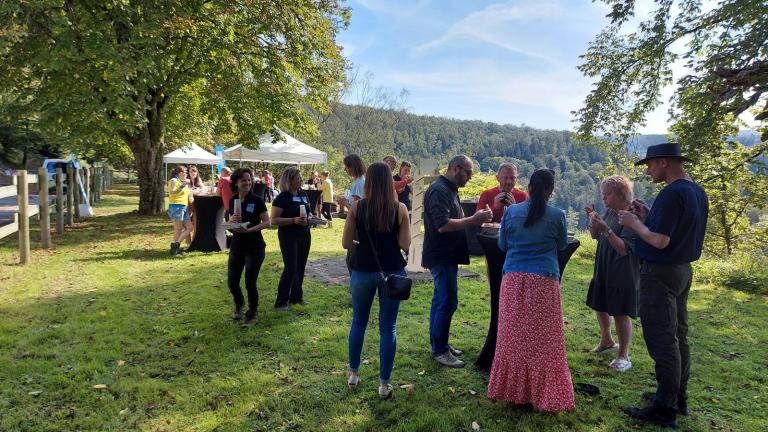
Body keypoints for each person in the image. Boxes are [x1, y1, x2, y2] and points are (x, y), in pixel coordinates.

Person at [618, 143, 708, 428]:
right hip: (682, 270)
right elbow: (669, 230)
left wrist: (633, 223)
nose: (648, 170)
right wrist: (647, 217)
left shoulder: (671, 194)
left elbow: (659, 241)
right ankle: (676, 397)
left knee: (663, 339)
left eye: (651, 164)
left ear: (665, 162)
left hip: (660, 273)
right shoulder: (696, 191)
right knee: (679, 335)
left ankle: (664, 410)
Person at [487, 168, 573, 412]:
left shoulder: (511, 212)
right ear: (551, 190)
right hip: (544, 281)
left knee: (512, 337)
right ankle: (543, 394)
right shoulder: (558, 215)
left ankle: (514, 391)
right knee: (546, 340)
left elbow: (503, 244)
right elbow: (561, 245)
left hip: (514, 279)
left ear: (530, 188)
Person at [342, 162, 411, 399]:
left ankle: (353, 374)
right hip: (391, 273)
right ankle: (384, 384)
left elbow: (346, 244)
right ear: (389, 183)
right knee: (388, 327)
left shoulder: (357, 208)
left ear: (368, 182)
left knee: (358, 323)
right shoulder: (399, 208)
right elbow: (405, 245)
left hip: (362, 270)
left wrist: (362, 245)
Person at [422, 155, 493, 368]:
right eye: (468, 173)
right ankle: (440, 350)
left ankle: (439, 343)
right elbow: (442, 225)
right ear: (455, 169)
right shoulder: (439, 191)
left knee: (440, 300)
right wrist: (473, 220)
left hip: (447, 255)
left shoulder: (449, 189)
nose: (470, 178)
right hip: (441, 255)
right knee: (447, 301)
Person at [584, 175, 640, 372]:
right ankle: (607, 341)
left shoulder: (632, 214)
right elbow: (595, 236)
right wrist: (593, 221)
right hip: (604, 264)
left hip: (622, 268)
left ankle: (623, 355)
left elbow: (624, 249)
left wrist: (606, 229)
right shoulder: (609, 211)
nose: (604, 198)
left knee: (620, 311)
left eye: (608, 194)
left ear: (621, 194)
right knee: (600, 304)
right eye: (603, 194)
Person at [226, 168, 270, 326]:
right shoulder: (233, 201)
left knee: (250, 282)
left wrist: (250, 229)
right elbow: (231, 224)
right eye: (244, 180)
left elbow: (267, 222)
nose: (247, 182)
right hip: (237, 245)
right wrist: (231, 222)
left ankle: (252, 313)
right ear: (236, 182)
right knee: (232, 281)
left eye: (249, 180)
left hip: (255, 247)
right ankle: (239, 304)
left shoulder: (257, 200)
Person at [270, 167, 312, 310]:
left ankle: (296, 297)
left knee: (301, 265)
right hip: (289, 236)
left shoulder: (304, 194)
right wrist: (293, 220)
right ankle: (281, 302)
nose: (300, 180)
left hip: (304, 234)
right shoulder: (282, 197)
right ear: (289, 180)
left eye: (300, 178)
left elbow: (308, 212)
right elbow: (274, 220)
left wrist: (312, 218)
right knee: (291, 267)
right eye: (297, 178)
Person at [167, 166, 194, 256]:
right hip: (176, 206)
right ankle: (175, 249)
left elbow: (187, 194)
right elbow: (172, 192)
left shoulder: (182, 182)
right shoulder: (174, 181)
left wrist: (191, 195)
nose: (186, 173)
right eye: (185, 171)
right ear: (179, 172)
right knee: (178, 229)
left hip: (184, 207)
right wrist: (183, 185)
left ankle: (175, 245)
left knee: (189, 228)